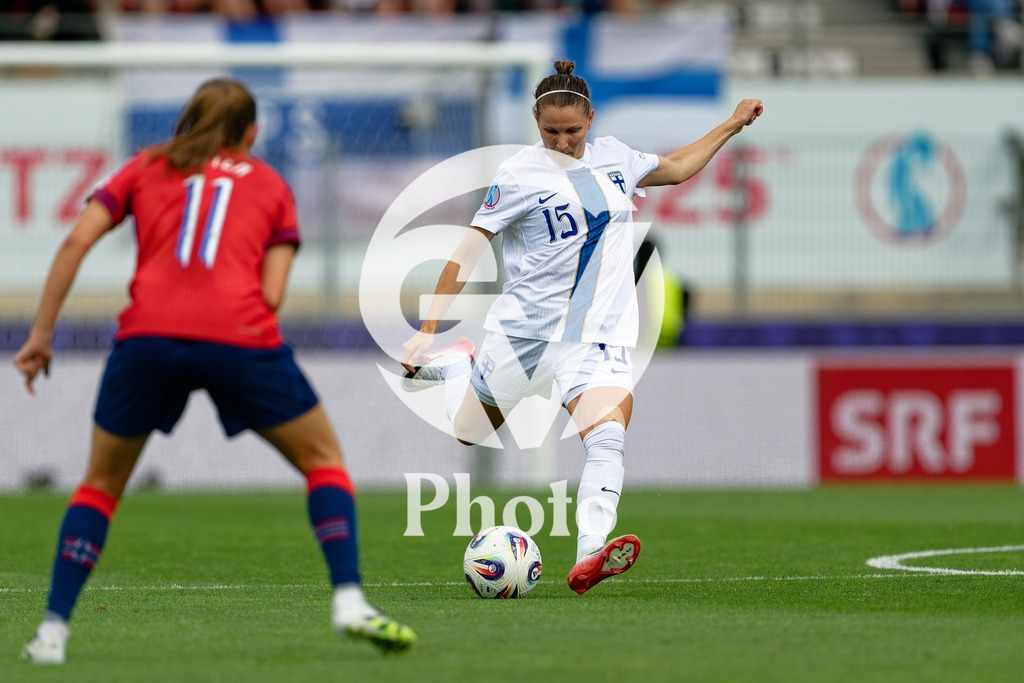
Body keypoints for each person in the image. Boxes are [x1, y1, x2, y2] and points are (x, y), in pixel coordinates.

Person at [14, 78, 416, 664]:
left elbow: (77, 240)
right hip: (238, 336)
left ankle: (51, 634)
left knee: (99, 485)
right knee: (322, 461)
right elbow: (272, 294)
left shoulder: (144, 166)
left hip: (146, 336)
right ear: (251, 134)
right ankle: (350, 600)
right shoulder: (272, 185)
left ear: (186, 122)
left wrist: (41, 335)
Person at [401, 60, 762, 595]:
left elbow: (680, 167)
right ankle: (459, 362)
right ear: (536, 123)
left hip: (598, 338)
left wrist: (731, 124)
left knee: (607, 438)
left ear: (590, 119)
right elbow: (469, 249)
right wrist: (428, 328)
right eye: (551, 131)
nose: (563, 142)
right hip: (525, 335)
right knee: (470, 430)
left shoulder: (616, 159)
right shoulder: (519, 175)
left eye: (572, 130)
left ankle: (590, 553)